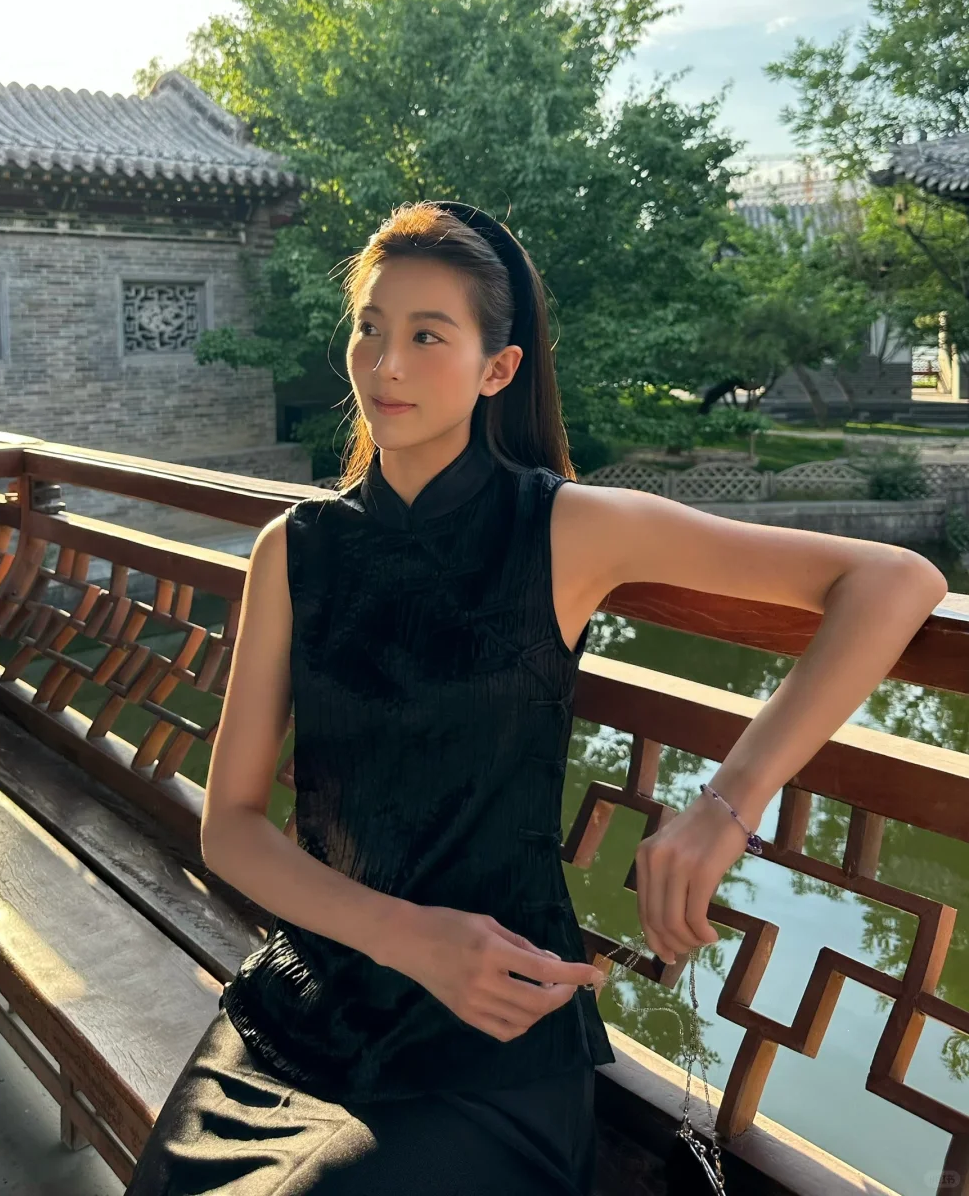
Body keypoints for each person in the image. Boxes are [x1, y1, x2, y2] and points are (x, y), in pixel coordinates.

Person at [125, 200, 946, 1196]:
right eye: (371, 328)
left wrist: (726, 805)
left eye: (428, 336)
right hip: (303, 1008)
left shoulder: (563, 529)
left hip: (493, 1024)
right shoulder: (294, 551)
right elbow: (231, 826)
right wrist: (408, 938)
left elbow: (892, 581)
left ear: (497, 368)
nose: (385, 364)